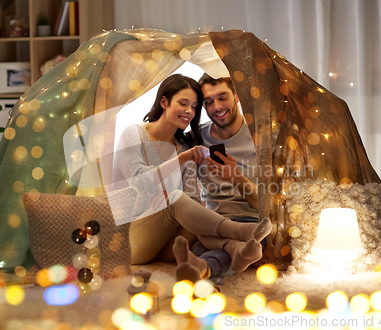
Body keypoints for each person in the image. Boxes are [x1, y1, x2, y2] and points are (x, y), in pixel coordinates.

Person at [111, 74, 271, 274]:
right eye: (183, 103)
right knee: (177, 199)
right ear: (164, 102)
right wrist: (180, 161)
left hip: (164, 243)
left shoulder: (183, 146)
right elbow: (139, 182)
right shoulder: (134, 134)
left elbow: (193, 200)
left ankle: (234, 248)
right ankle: (239, 232)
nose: (189, 111)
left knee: (197, 219)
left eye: (194, 107)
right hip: (126, 240)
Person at [172, 73, 271, 282]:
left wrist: (236, 178)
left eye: (222, 97)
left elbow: (268, 207)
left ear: (236, 96)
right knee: (202, 244)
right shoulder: (196, 137)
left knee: (211, 249)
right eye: (208, 102)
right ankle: (209, 273)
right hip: (211, 221)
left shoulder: (261, 137)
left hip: (251, 223)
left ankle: (205, 270)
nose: (216, 106)